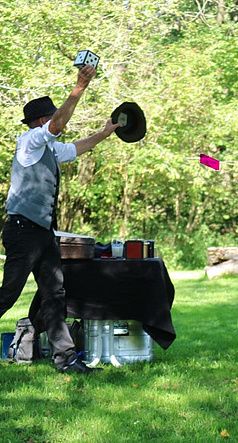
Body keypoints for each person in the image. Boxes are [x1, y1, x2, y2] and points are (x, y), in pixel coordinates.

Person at [0, 66, 118, 374]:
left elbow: (75, 148)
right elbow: (59, 124)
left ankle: (66, 360)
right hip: (22, 231)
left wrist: (104, 133)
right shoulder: (29, 142)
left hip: (42, 234)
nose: (59, 122)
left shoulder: (49, 147)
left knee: (54, 295)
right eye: (52, 118)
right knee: (9, 293)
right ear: (42, 122)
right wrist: (79, 87)